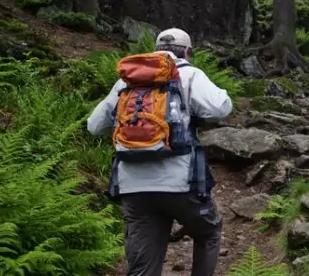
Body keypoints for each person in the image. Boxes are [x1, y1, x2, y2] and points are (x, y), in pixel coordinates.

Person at [86, 28, 233, 276]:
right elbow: (221, 107)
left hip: (132, 185)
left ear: (155, 49)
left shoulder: (126, 81)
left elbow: (93, 126)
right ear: (186, 51)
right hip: (179, 184)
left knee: (143, 265)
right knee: (208, 231)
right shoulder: (189, 74)